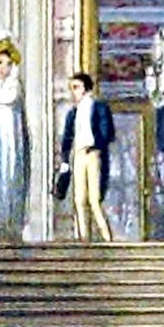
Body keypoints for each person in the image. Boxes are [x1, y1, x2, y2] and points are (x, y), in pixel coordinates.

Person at [58, 70, 115, 242]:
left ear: (86, 88)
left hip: (93, 154)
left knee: (94, 199)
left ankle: (107, 237)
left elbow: (107, 133)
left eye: (76, 87)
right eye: (72, 88)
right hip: (79, 156)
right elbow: (67, 138)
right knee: (79, 199)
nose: (73, 92)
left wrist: (96, 145)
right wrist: (65, 161)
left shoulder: (99, 108)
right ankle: (84, 238)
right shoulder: (72, 113)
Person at [0, 36, 30, 242]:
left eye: (8, 64)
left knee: (12, 174)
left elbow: (9, 99)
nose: (4, 68)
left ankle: (12, 223)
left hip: (12, 134)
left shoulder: (14, 85)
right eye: (0, 63)